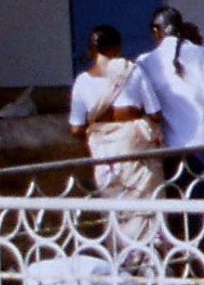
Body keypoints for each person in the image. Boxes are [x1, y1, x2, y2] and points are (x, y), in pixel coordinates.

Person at [138, 6, 204, 249]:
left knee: (182, 214)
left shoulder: (145, 62)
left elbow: (147, 106)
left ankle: (186, 274)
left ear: (157, 32)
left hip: (172, 150)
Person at [69, 24, 166, 248]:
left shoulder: (82, 81)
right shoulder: (132, 71)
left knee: (115, 209)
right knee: (145, 208)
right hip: (135, 152)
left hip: (104, 155)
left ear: (90, 50)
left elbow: (75, 127)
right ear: (117, 47)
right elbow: (155, 113)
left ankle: (121, 264)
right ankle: (148, 262)